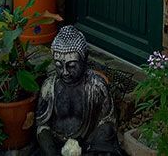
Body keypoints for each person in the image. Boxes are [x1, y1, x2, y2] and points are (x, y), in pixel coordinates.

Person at [36, 26, 123, 155]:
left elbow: (107, 122)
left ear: (84, 59)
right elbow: (42, 125)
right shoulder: (49, 87)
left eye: (71, 66)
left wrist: (93, 148)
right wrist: (51, 151)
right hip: (57, 143)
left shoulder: (96, 86)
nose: (65, 72)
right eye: (59, 66)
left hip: (89, 144)